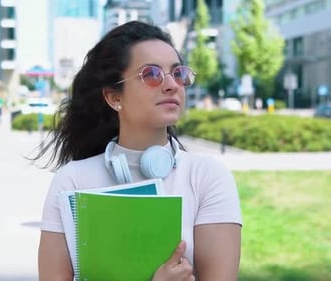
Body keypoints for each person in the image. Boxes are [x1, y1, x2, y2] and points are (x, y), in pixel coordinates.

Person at [35, 21, 242, 281]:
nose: (171, 85)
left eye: (178, 73)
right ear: (114, 97)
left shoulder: (207, 178)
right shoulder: (72, 181)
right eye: (152, 74)